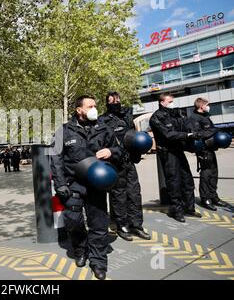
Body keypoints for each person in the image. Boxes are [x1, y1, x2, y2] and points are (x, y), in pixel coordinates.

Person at [51, 95, 122, 280]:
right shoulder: (64, 131)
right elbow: (56, 159)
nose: (94, 109)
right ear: (79, 110)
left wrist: (111, 151)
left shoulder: (104, 128)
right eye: (90, 106)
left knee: (99, 224)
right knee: (73, 221)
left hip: (96, 184)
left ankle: (98, 262)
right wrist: (59, 184)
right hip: (72, 184)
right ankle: (80, 249)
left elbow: (119, 150)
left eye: (95, 106)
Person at [98, 92, 150, 241]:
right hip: (115, 163)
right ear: (107, 103)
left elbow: (134, 136)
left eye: (118, 100)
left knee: (134, 194)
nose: (116, 103)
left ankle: (137, 225)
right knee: (119, 196)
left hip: (129, 161)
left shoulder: (126, 116)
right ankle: (122, 225)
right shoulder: (102, 120)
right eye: (112, 101)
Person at [149, 92, 202, 223]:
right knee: (174, 183)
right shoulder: (156, 117)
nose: (172, 103)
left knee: (187, 180)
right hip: (168, 153)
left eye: (173, 100)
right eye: (170, 101)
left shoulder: (176, 113)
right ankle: (176, 211)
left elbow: (186, 124)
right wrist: (187, 136)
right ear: (162, 103)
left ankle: (189, 208)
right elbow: (168, 134)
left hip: (178, 150)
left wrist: (192, 131)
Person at [189, 97, 228, 211]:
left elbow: (210, 130)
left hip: (211, 149)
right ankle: (205, 199)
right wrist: (213, 130)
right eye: (207, 105)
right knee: (206, 175)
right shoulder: (194, 118)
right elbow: (197, 134)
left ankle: (214, 197)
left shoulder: (205, 116)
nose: (208, 106)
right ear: (201, 106)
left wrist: (213, 131)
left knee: (214, 173)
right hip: (203, 150)